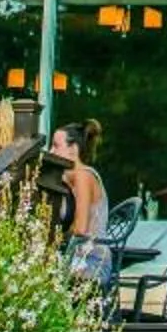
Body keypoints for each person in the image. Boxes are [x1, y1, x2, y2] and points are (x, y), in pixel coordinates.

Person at [52, 121, 113, 284]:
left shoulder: (83, 176)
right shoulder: (68, 181)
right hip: (76, 258)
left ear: (73, 149)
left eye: (56, 146)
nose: (51, 152)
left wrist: (53, 237)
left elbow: (80, 229)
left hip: (93, 261)